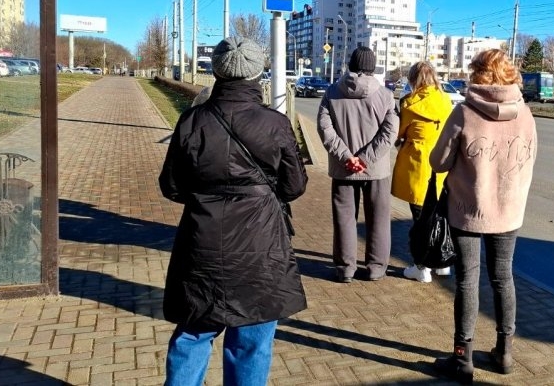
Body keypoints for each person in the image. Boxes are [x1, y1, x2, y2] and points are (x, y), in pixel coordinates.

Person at [159, 36, 308, 386]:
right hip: (261, 245)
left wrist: (208, 197)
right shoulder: (275, 123)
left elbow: (171, 186)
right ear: (258, 73)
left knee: (193, 334)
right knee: (252, 340)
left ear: (217, 70)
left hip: (202, 242)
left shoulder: (192, 121)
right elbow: (294, 186)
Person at [429, 49, 537, 382]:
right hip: (508, 211)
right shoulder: (526, 114)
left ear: (477, 74)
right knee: (503, 278)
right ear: (510, 75)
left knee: (467, 281)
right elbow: (529, 161)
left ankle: (462, 357)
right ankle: (504, 352)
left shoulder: (464, 113)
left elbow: (438, 162)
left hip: (468, 211)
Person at [317, 46, 399, 283]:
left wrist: (347, 157)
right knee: (379, 219)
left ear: (351, 65)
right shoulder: (385, 96)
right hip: (376, 169)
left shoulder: (332, 92)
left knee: (344, 218)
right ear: (372, 67)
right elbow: (389, 133)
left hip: (343, 169)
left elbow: (325, 129)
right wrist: (365, 159)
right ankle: (375, 268)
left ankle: (345, 268)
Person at [390, 61, 454, 283]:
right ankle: (442, 263)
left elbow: (398, 132)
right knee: (441, 215)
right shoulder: (446, 101)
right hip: (443, 167)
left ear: (413, 79)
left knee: (420, 220)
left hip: (417, 166)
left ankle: (421, 267)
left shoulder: (409, 103)